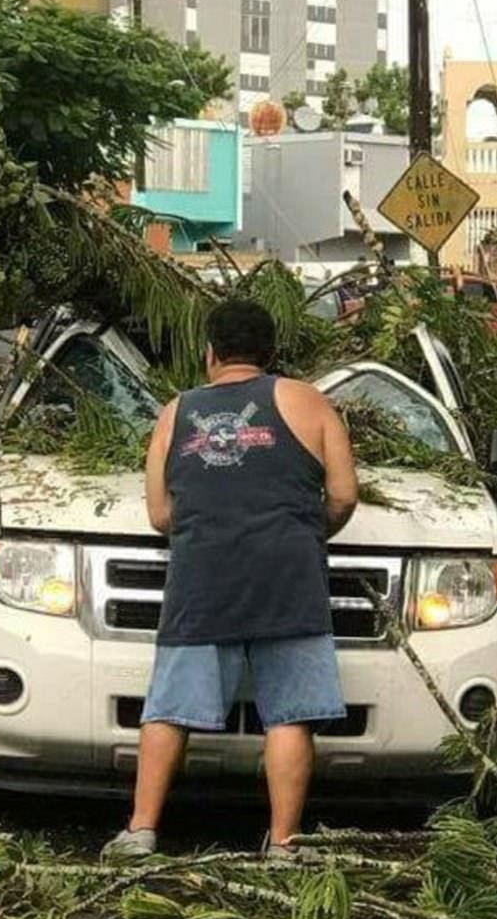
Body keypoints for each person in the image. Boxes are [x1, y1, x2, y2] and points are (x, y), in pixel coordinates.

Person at [103, 298, 359, 864]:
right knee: (290, 714)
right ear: (271, 356)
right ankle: (285, 843)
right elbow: (343, 495)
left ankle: (141, 831)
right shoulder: (309, 402)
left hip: (202, 579)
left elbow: (160, 516)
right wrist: (305, 529)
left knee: (169, 707)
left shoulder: (176, 412)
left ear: (210, 354)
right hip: (288, 578)